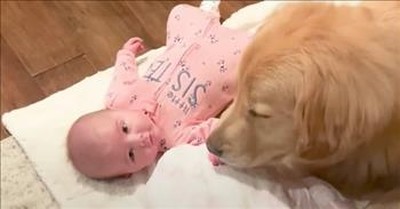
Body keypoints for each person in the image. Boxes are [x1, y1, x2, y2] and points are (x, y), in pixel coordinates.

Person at [67, 4, 251, 179]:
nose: (139, 139)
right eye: (131, 154)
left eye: (125, 128)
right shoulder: (176, 139)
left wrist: (126, 54)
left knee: (180, 13)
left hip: (187, 40)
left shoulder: (120, 98)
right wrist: (219, 149)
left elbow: (123, 72)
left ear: (113, 111)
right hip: (228, 62)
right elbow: (214, 129)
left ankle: (208, 12)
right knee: (255, 57)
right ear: (129, 173)